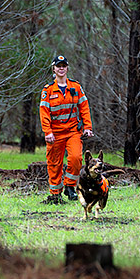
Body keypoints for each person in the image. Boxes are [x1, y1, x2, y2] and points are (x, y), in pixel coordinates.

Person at [39, 55, 93, 204]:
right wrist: (47, 132)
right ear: (54, 69)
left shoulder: (75, 87)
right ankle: (55, 194)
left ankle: (70, 186)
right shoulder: (48, 90)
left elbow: (84, 107)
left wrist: (87, 127)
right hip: (55, 133)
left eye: (64, 66)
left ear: (67, 68)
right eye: (58, 66)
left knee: (76, 158)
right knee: (54, 164)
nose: (61, 68)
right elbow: (44, 113)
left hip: (72, 131)